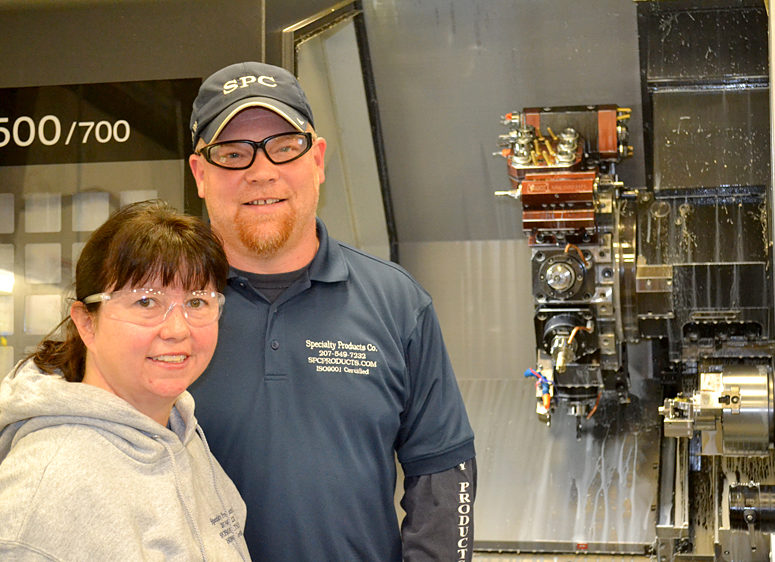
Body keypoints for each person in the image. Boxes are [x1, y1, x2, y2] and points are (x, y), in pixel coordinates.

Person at [187, 61, 477, 561]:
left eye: (284, 147)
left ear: (317, 160)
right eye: (232, 154)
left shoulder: (398, 303)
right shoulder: (158, 308)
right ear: (200, 174)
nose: (261, 172)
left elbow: (443, 478)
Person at [0, 200, 251, 561]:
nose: (178, 329)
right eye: (146, 302)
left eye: (197, 302)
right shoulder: (48, 487)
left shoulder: (183, 436)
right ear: (87, 322)